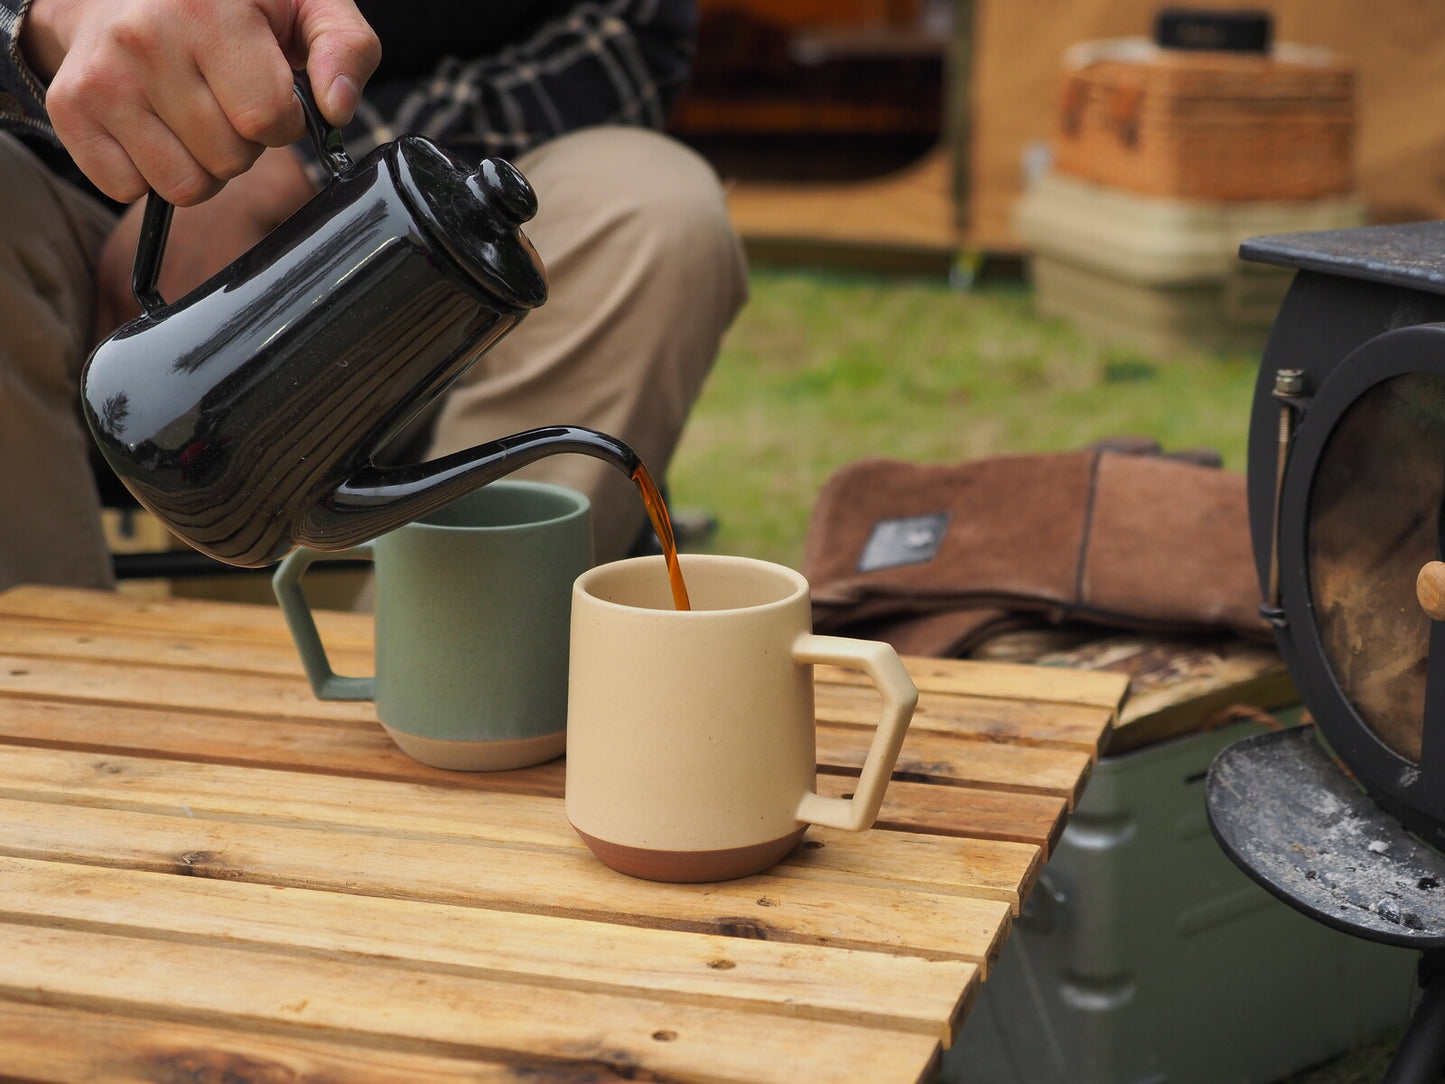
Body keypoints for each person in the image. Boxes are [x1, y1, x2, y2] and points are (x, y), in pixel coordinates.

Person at [0, 0, 748, 590]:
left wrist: (307, 166)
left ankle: (447, 689)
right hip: (72, 206)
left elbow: (626, 35)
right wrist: (47, 21)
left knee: (655, 210)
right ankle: (38, 691)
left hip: (437, 257)